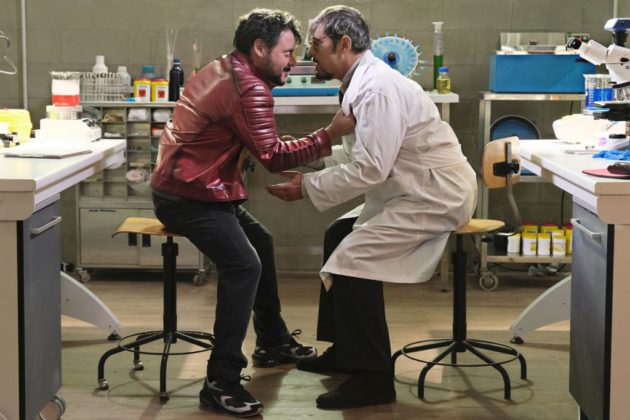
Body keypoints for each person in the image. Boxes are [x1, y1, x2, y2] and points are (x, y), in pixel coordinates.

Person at [267, 5, 478, 410]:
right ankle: (346, 351)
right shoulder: (360, 82)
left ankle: (373, 378)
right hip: (412, 187)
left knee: (353, 259)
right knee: (338, 235)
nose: (310, 54)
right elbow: (359, 156)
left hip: (436, 195)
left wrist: (307, 187)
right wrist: (305, 157)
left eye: (316, 44)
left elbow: (371, 168)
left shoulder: (376, 89)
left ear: (344, 44)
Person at [150, 8, 353, 417]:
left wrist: (295, 143)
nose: (292, 62)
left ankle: (272, 341)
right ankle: (220, 382)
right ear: (260, 48)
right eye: (287, 53)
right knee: (244, 266)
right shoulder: (249, 88)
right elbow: (273, 158)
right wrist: (329, 134)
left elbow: (257, 142)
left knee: (260, 241)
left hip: (189, 189)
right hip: (190, 197)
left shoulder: (224, 67)